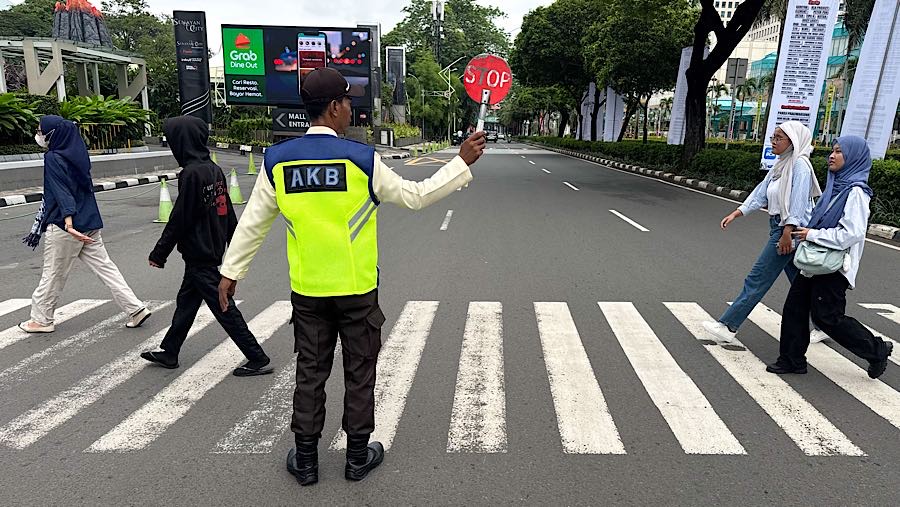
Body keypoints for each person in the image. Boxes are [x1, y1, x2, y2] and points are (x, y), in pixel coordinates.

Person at [216, 68, 486, 486]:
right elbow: (416, 196)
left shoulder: (278, 161)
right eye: (347, 102)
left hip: (309, 291)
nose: (350, 110)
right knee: (360, 371)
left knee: (310, 372)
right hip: (357, 290)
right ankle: (357, 458)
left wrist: (231, 273)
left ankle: (306, 461)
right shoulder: (361, 159)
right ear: (333, 107)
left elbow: (253, 223)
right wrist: (460, 162)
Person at [140, 116, 273, 377]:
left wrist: (159, 253)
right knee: (187, 303)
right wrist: (235, 244)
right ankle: (170, 351)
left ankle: (257, 357)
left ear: (182, 142)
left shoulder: (191, 174)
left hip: (200, 253)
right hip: (207, 250)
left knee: (224, 307)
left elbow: (180, 217)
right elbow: (226, 211)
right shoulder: (213, 168)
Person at [767, 136, 893, 377]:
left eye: (839, 152)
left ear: (853, 158)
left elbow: (851, 234)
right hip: (815, 261)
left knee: (828, 318)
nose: (831, 156)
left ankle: (877, 350)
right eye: (832, 151)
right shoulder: (835, 188)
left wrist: (812, 234)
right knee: (795, 309)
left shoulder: (856, 192)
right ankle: (792, 360)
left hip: (835, 265)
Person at [19, 115, 150, 333]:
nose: (38, 135)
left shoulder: (53, 157)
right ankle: (135, 308)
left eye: (41, 131)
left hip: (65, 227)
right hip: (89, 222)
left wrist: (69, 223)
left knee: (53, 275)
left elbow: (62, 192)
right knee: (106, 269)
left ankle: (41, 320)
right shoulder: (78, 155)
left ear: (53, 135)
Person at [703, 121, 824, 344]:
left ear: (793, 141)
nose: (773, 142)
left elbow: (798, 202)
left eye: (779, 138)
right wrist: (738, 212)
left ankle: (728, 326)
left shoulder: (800, 166)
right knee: (801, 282)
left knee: (757, 278)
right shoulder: (781, 165)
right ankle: (825, 322)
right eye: (773, 137)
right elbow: (761, 192)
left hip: (788, 230)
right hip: (780, 227)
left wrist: (787, 231)